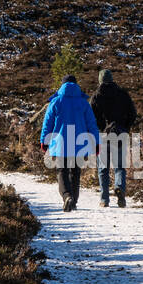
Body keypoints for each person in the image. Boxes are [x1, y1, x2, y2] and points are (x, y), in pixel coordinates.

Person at [40, 74, 99, 211]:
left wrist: (44, 141)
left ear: (62, 85)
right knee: (75, 172)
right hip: (79, 143)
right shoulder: (83, 102)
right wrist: (96, 143)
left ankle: (67, 196)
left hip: (60, 143)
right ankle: (74, 200)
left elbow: (47, 123)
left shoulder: (56, 101)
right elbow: (92, 124)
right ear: (76, 85)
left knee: (62, 171)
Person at [90, 68, 137, 208]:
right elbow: (132, 114)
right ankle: (120, 189)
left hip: (103, 135)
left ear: (100, 80)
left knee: (103, 169)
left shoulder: (96, 96)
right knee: (120, 167)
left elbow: (91, 118)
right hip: (120, 133)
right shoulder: (123, 94)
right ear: (112, 79)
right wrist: (125, 128)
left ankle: (104, 200)